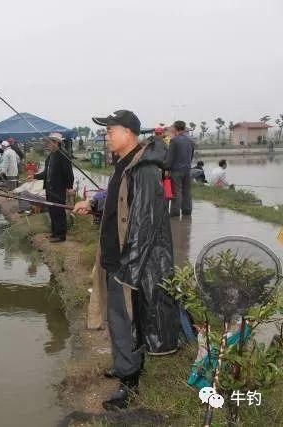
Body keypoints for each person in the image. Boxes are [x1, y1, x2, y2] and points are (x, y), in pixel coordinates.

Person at [74, 110, 179, 410]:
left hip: (127, 265)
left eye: (111, 131)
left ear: (129, 133)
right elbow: (118, 200)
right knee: (117, 320)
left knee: (126, 321)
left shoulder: (144, 169)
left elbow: (144, 225)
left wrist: (126, 270)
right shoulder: (126, 164)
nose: (107, 136)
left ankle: (129, 382)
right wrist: (93, 203)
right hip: (113, 258)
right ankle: (124, 364)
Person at [32, 133, 74, 242]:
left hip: (58, 189)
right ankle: (54, 233)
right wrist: (34, 176)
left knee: (59, 211)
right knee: (52, 211)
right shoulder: (51, 156)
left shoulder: (63, 155)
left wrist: (70, 187)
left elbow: (69, 173)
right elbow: (46, 173)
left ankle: (61, 235)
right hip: (49, 189)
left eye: (49, 142)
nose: (47, 144)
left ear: (56, 143)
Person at [165, 120, 195, 217]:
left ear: (175, 128)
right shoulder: (190, 140)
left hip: (176, 171)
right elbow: (191, 156)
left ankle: (175, 212)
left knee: (176, 191)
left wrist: (166, 168)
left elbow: (170, 157)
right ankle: (187, 211)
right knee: (187, 191)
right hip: (187, 170)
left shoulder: (174, 140)